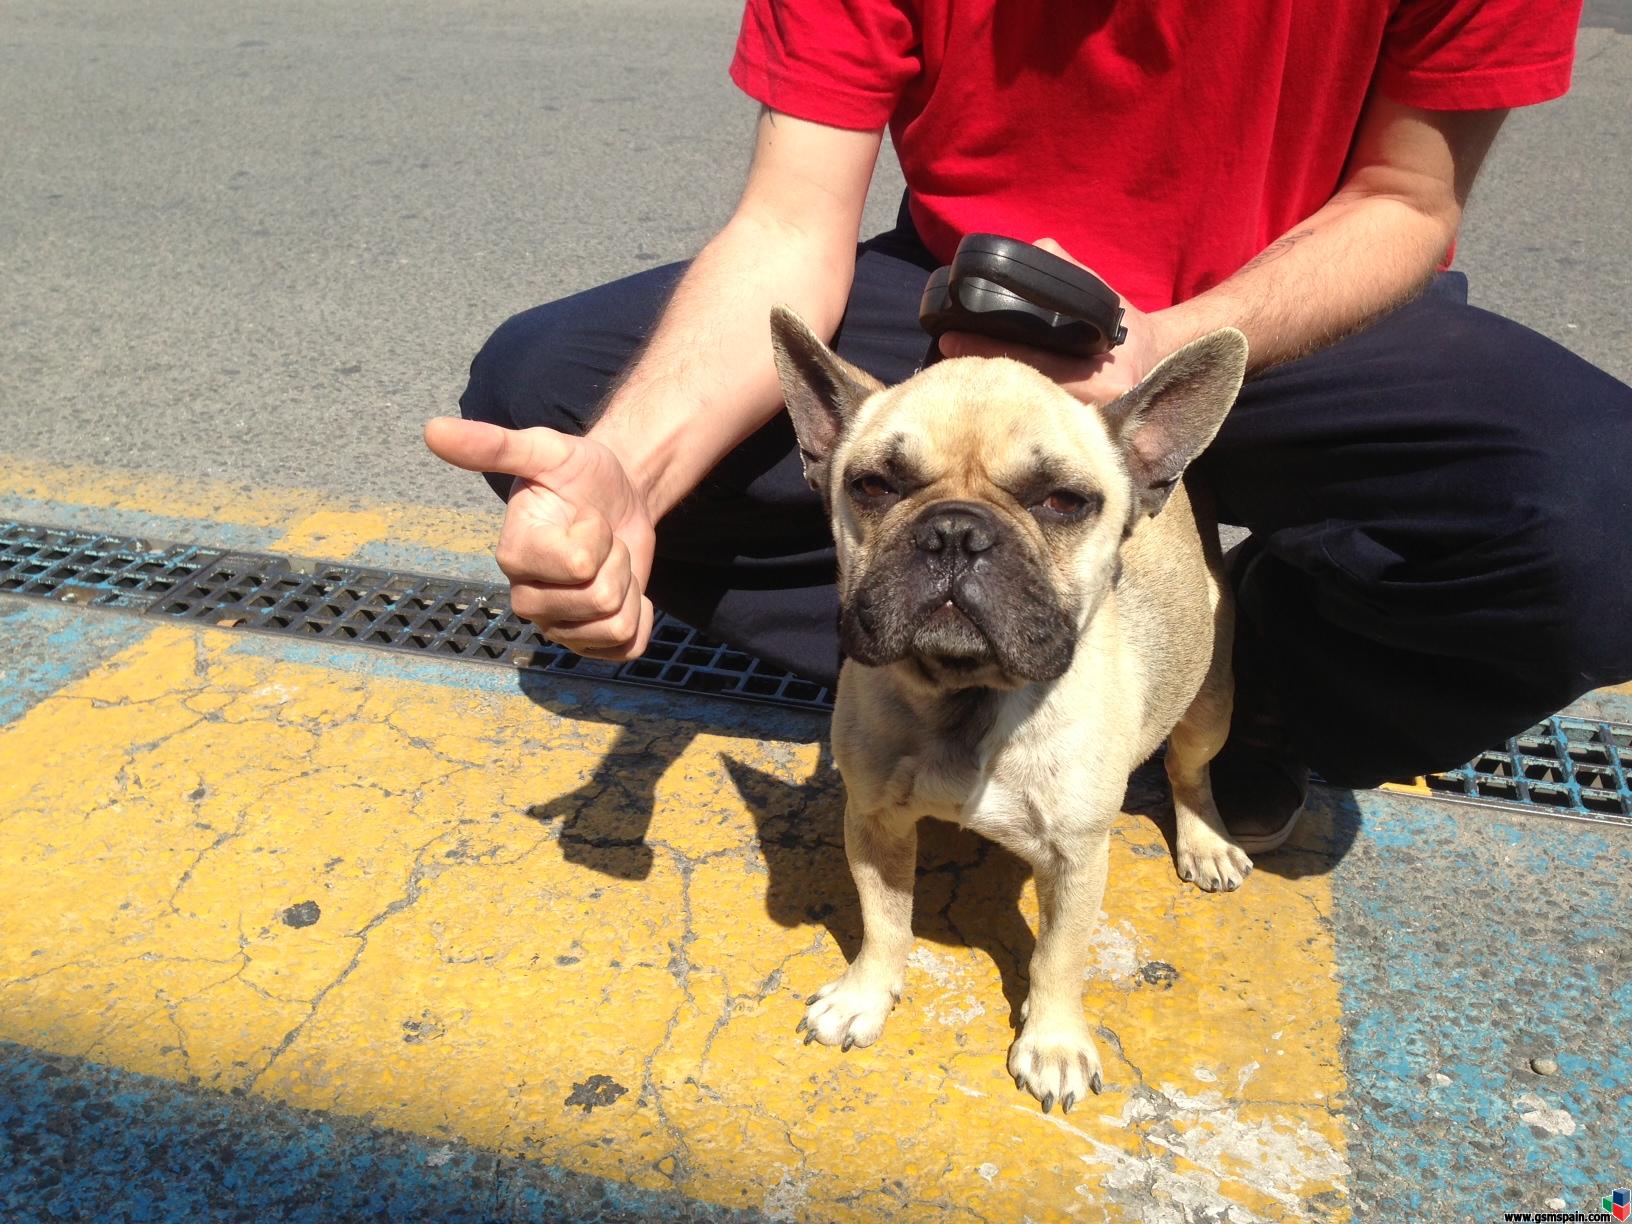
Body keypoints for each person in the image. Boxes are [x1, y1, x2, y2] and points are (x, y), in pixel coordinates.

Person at [425, 0, 1630, 852]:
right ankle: (940, 641)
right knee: (553, 390)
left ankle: (1264, 674)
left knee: (1606, 521)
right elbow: (790, 223)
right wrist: (632, 474)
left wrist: (1161, 347)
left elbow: (1406, 202)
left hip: (1288, 298)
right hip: (972, 306)